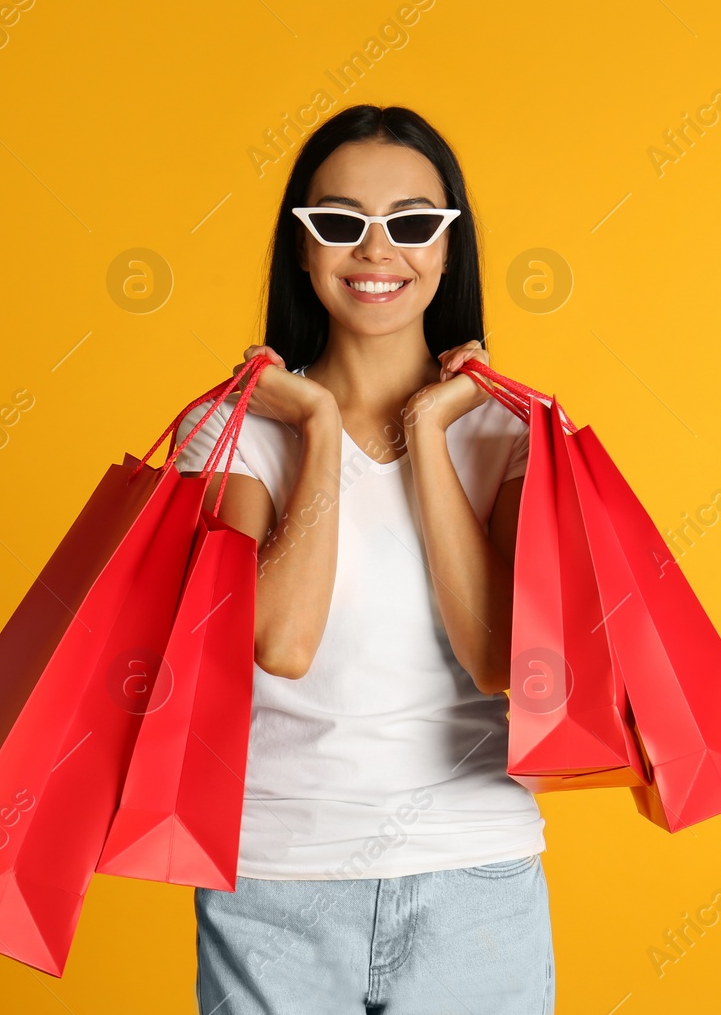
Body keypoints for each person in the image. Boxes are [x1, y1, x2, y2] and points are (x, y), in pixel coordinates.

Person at [173, 105, 553, 1015]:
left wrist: (428, 428)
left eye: (414, 223)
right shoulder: (228, 431)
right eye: (340, 223)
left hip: (475, 875)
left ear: (448, 249)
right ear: (302, 252)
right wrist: (316, 424)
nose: (377, 250)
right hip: (275, 879)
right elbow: (282, 638)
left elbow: (499, 657)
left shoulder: (513, 434)